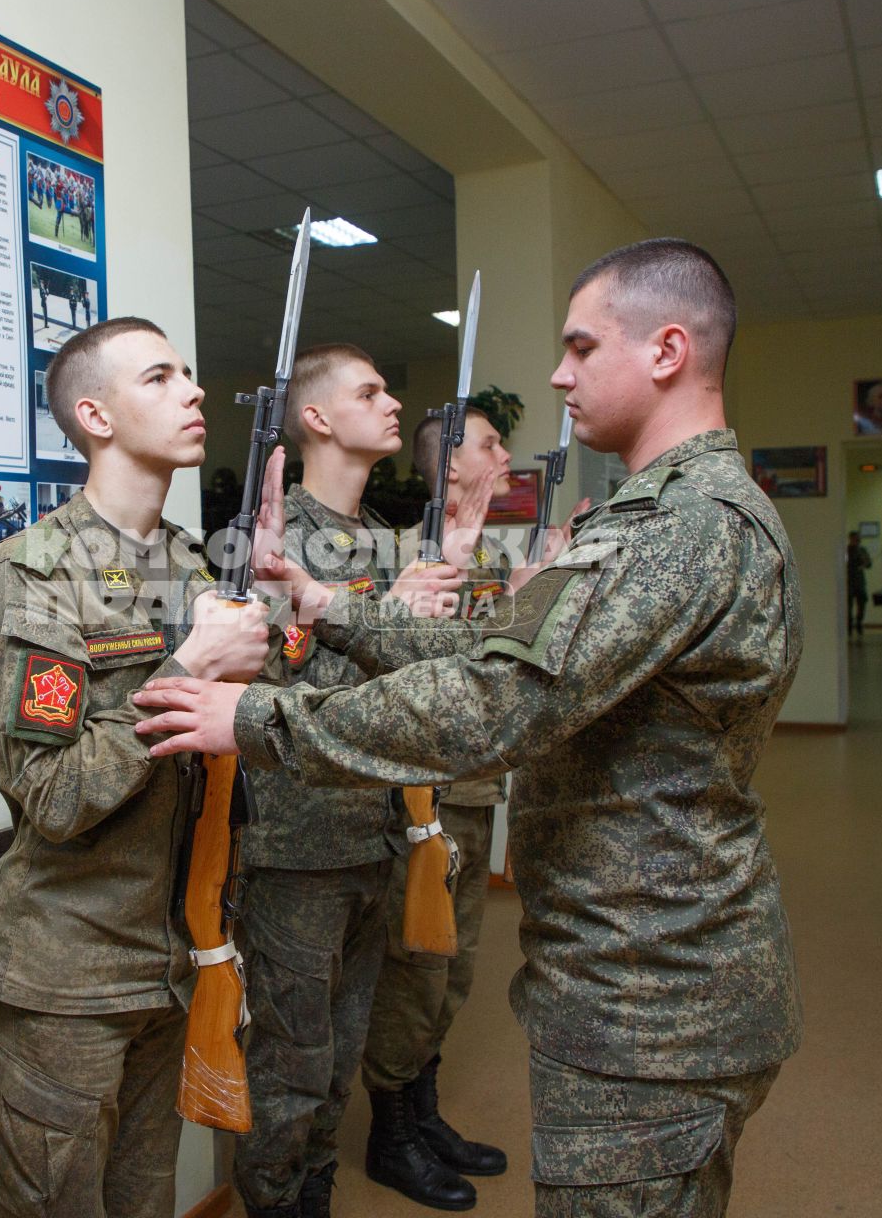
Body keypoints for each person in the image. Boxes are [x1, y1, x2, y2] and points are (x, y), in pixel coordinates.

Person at [133, 238, 804, 1218]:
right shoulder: (680, 514)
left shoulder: (681, 527)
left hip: (649, 993)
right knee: (300, 1069)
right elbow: (492, 661)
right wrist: (331, 603)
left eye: (581, 344)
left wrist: (256, 714)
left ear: (666, 351)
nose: (557, 372)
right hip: (633, 968)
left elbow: (493, 696)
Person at [0, 315, 275, 1218]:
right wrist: (190, 667)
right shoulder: (35, 575)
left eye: (188, 372)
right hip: (67, 981)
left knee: (145, 1203)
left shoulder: (193, 567)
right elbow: (55, 797)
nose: (194, 390)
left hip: (175, 962)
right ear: (94, 416)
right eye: (160, 377)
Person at [232, 342, 443, 1218]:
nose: (393, 403)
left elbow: (427, 693)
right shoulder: (272, 539)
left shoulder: (388, 547)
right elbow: (267, 705)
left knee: (341, 1061)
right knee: (290, 1070)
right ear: (316, 418)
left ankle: (314, 1195)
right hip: (296, 851)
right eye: (370, 391)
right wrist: (386, 624)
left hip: (375, 838)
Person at [357, 403, 516, 1209]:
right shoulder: (397, 555)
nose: (507, 453)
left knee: (455, 974)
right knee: (416, 970)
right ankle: (392, 1131)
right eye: (491, 443)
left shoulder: (489, 551)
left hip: (477, 786)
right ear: (450, 464)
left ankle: (424, 1113)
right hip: (423, 800)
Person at [846, 531, 872, 636]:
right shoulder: (846, 550)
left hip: (860, 581)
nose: (856, 541)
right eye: (855, 539)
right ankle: (849, 626)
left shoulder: (862, 550)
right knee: (848, 606)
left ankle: (859, 623)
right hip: (849, 581)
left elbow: (869, 564)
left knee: (862, 603)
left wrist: (864, 562)